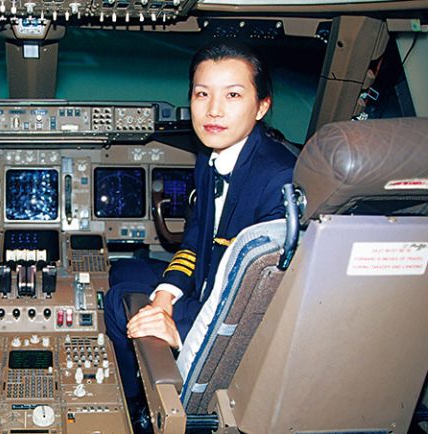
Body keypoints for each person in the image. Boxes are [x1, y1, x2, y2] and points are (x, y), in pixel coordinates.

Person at [104, 41, 297, 424]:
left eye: (233, 95)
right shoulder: (211, 158)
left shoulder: (280, 180)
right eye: (202, 94)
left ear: (262, 106)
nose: (214, 110)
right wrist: (164, 296)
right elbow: (195, 240)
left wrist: (181, 329)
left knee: (118, 301)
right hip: (208, 282)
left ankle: (138, 409)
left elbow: (265, 302)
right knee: (124, 270)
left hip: (232, 311)